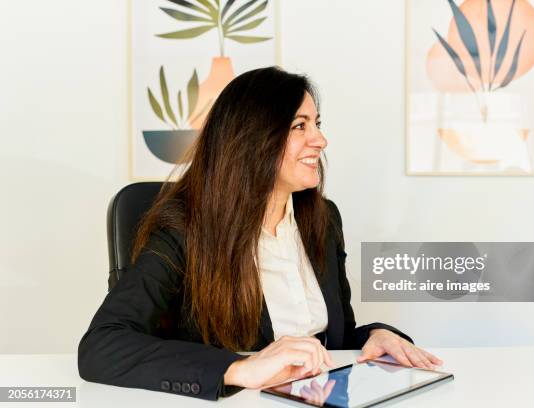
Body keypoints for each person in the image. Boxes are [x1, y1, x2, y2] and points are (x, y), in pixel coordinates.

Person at [78, 66, 442, 401]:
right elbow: (102, 346)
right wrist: (239, 369)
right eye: (300, 126)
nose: (320, 140)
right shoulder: (184, 229)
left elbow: (336, 338)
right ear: (252, 139)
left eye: (316, 123)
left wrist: (374, 336)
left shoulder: (323, 220)